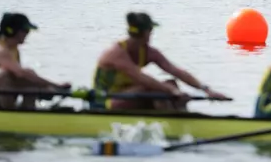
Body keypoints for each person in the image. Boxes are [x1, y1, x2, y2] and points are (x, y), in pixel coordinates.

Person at [92, 12, 228, 110]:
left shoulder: (148, 52)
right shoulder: (116, 53)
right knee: (157, 88)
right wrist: (171, 91)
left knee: (171, 83)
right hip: (105, 102)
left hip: (129, 96)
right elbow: (142, 78)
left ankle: (178, 117)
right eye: (151, 31)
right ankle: (172, 120)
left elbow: (176, 71)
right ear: (146, 32)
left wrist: (207, 90)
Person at [0, 13, 70, 109]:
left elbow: (21, 77)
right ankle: (11, 114)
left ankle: (28, 112)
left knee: (30, 76)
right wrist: (56, 86)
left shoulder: (14, 49)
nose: (28, 33)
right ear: (11, 31)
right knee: (4, 74)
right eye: (25, 30)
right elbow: (20, 73)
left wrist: (45, 89)